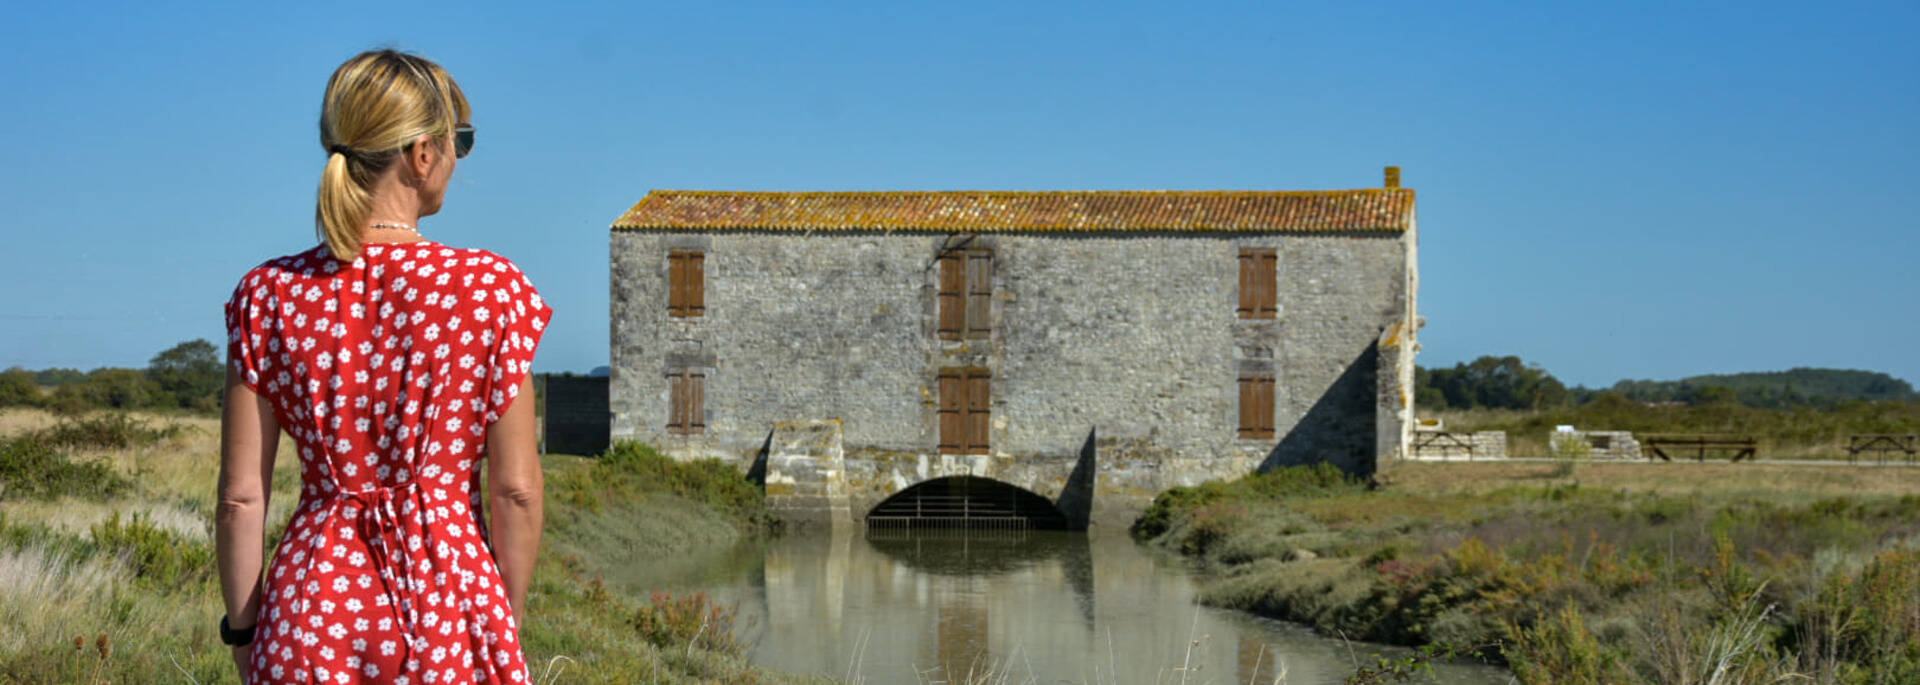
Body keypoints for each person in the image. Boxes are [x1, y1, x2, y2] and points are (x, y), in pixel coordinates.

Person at [215, 49, 550, 684]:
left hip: (308, 612)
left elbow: (240, 498)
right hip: (451, 602)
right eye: (462, 141)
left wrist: (246, 629)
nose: (459, 159)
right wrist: (501, 618)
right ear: (423, 154)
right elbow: (516, 491)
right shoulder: (488, 290)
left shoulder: (268, 293)